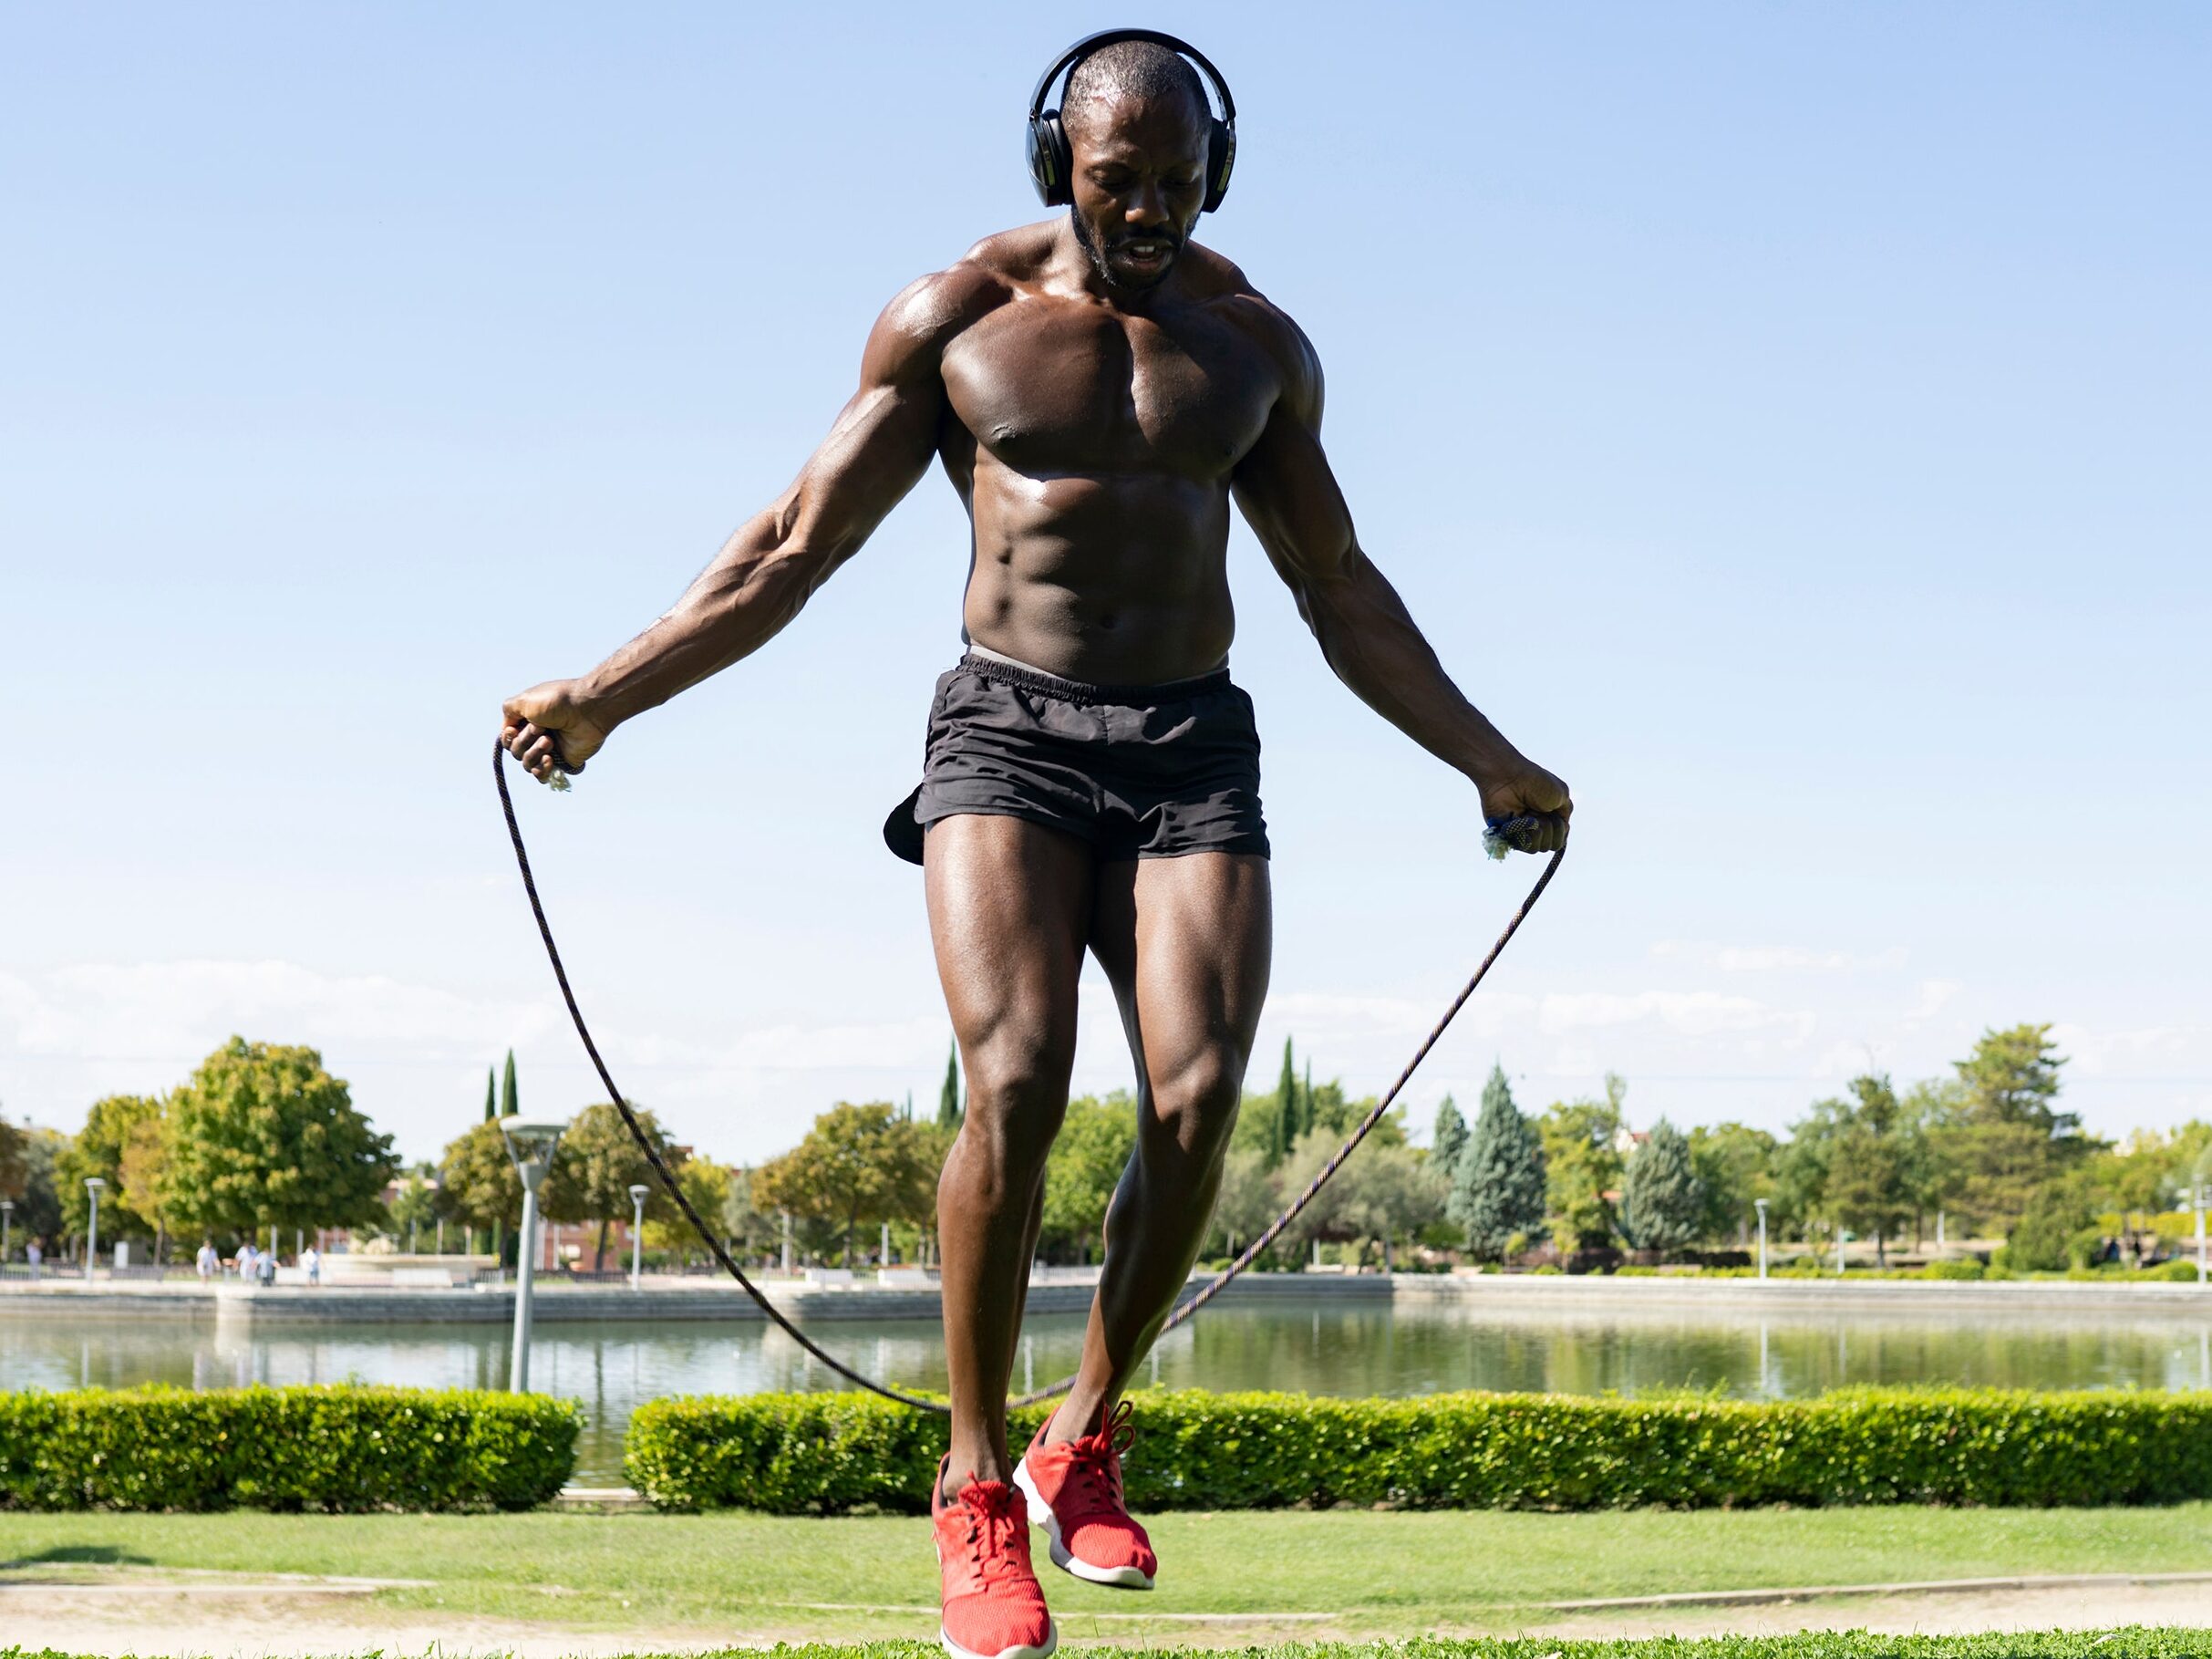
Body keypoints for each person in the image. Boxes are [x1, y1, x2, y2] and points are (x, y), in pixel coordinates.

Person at [500, 31, 1569, 1659]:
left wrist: (1491, 761)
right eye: (1111, 177)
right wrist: (602, 697)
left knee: (1200, 1098)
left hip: (1191, 739)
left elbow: (1338, 589)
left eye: (1173, 181)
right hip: (1007, 730)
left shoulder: (1256, 347)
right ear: (1052, 160)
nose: (1142, 209)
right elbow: (792, 547)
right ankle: (977, 1487)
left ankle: (1083, 1433)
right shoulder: (959, 319)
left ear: (1216, 173)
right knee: (1012, 1082)